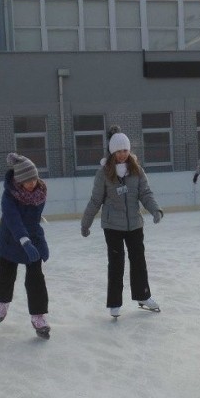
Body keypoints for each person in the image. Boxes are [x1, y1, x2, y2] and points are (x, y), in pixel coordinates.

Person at [81, 131, 163, 317]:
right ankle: (115, 303)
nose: (122, 154)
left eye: (125, 150)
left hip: (134, 224)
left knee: (139, 262)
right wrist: (85, 223)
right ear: (112, 152)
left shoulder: (137, 170)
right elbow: (95, 201)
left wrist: (155, 210)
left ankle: (143, 295)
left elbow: (146, 193)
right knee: (116, 264)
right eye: (118, 151)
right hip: (112, 226)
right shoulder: (103, 173)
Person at [0, 153, 51, 338]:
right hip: (9, 240)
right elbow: (13, 220)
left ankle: (38, 316)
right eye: (28, 180)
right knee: (5, 277)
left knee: (36, 278)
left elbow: (34, 222)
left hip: (30, 240)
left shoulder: (39, 193)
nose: (32, 182)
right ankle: (2, 302)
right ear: (19, 180)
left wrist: (41, 244)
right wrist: (24, 241)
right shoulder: (9, 195)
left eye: (34, 178)